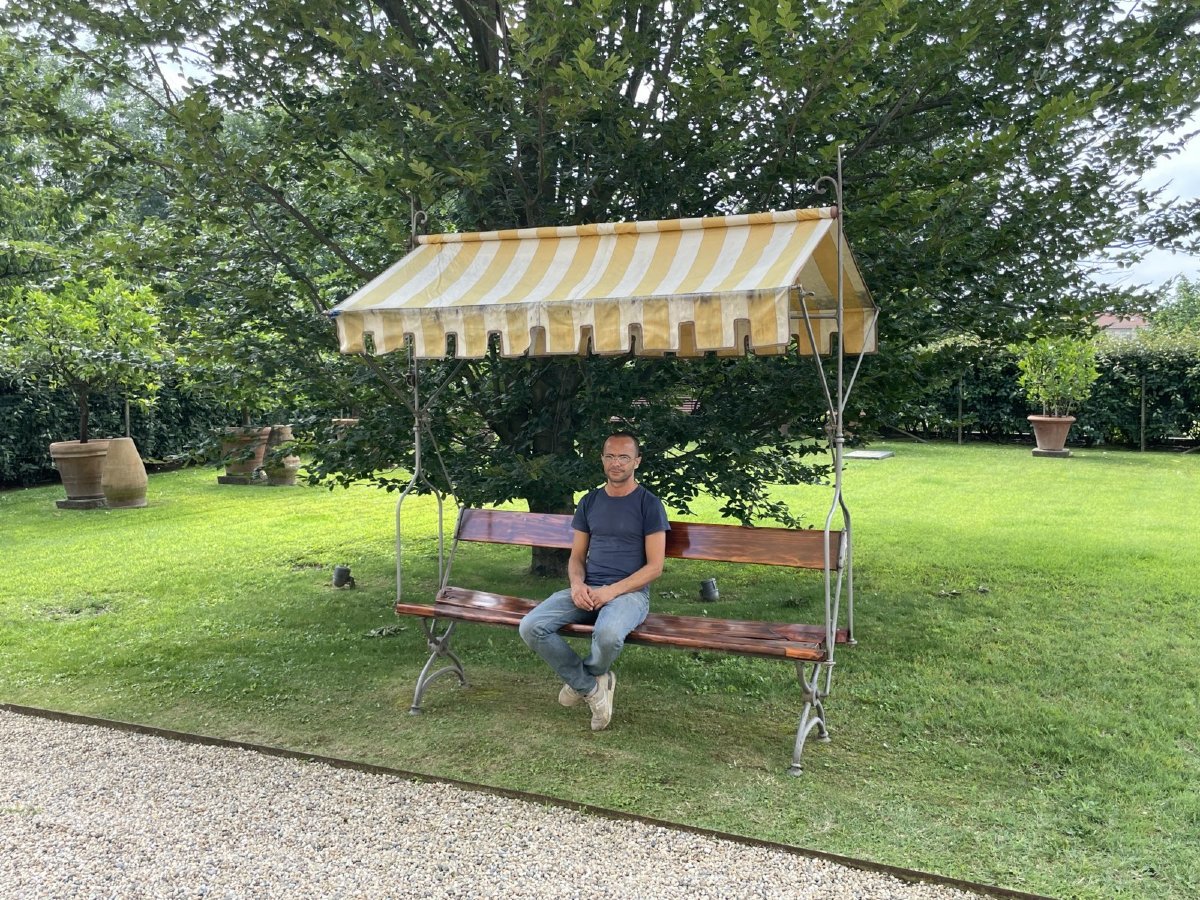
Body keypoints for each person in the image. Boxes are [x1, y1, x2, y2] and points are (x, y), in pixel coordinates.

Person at [518, 432, 669, 731]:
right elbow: (576, 558)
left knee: (608, 635)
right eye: (610, 456)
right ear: (602, 459)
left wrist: (610, 591)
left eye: (624, 457)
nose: (616, 463)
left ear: (637, 462)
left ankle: (587, 677)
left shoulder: (649, 505)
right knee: (531, 626)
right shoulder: (590, 502)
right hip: (587, 589)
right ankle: (590, 686)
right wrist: (577, 585)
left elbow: (655, 567)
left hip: (629, 593)